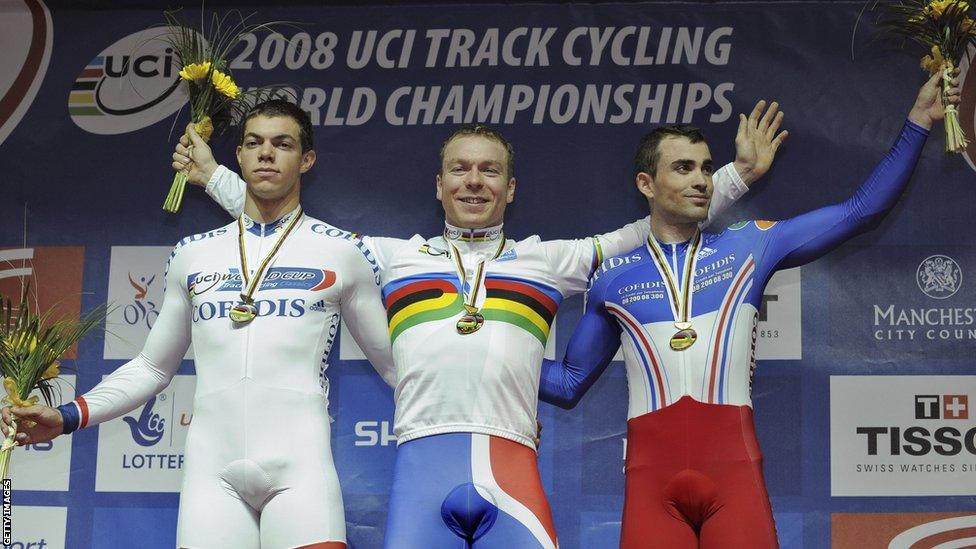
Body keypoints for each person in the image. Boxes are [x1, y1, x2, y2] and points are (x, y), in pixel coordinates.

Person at [175, 100, 784, 547]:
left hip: (512, 475)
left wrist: (736, 178)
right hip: (422, 478)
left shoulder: (547, 260)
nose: (474, 181)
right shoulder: (393, 256)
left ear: (511, 187)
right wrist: (215, 178)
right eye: (460, 170)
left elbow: (650, 225)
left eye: (489, 171)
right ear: (438, 186)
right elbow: (301, 238)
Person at [537, 72, 959, 548]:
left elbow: (860, 211)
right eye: (683, 168)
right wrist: (473, 352)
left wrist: (919, 120)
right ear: (646, 183)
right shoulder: (612, 277)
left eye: (705, 167)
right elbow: (568, 383)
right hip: (652, 487)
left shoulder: (751, 245)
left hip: (733, 479)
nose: (700, 180)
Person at [1, 100, 396, 549]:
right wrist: (66, 415)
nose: (267, 154)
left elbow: (394, 367)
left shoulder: (340, 252)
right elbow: (152, 367)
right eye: (254, 143)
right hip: (213, 478)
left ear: (306, 160)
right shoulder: (193, 254)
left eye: (282, 144)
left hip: (301, 475)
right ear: (240, 158)